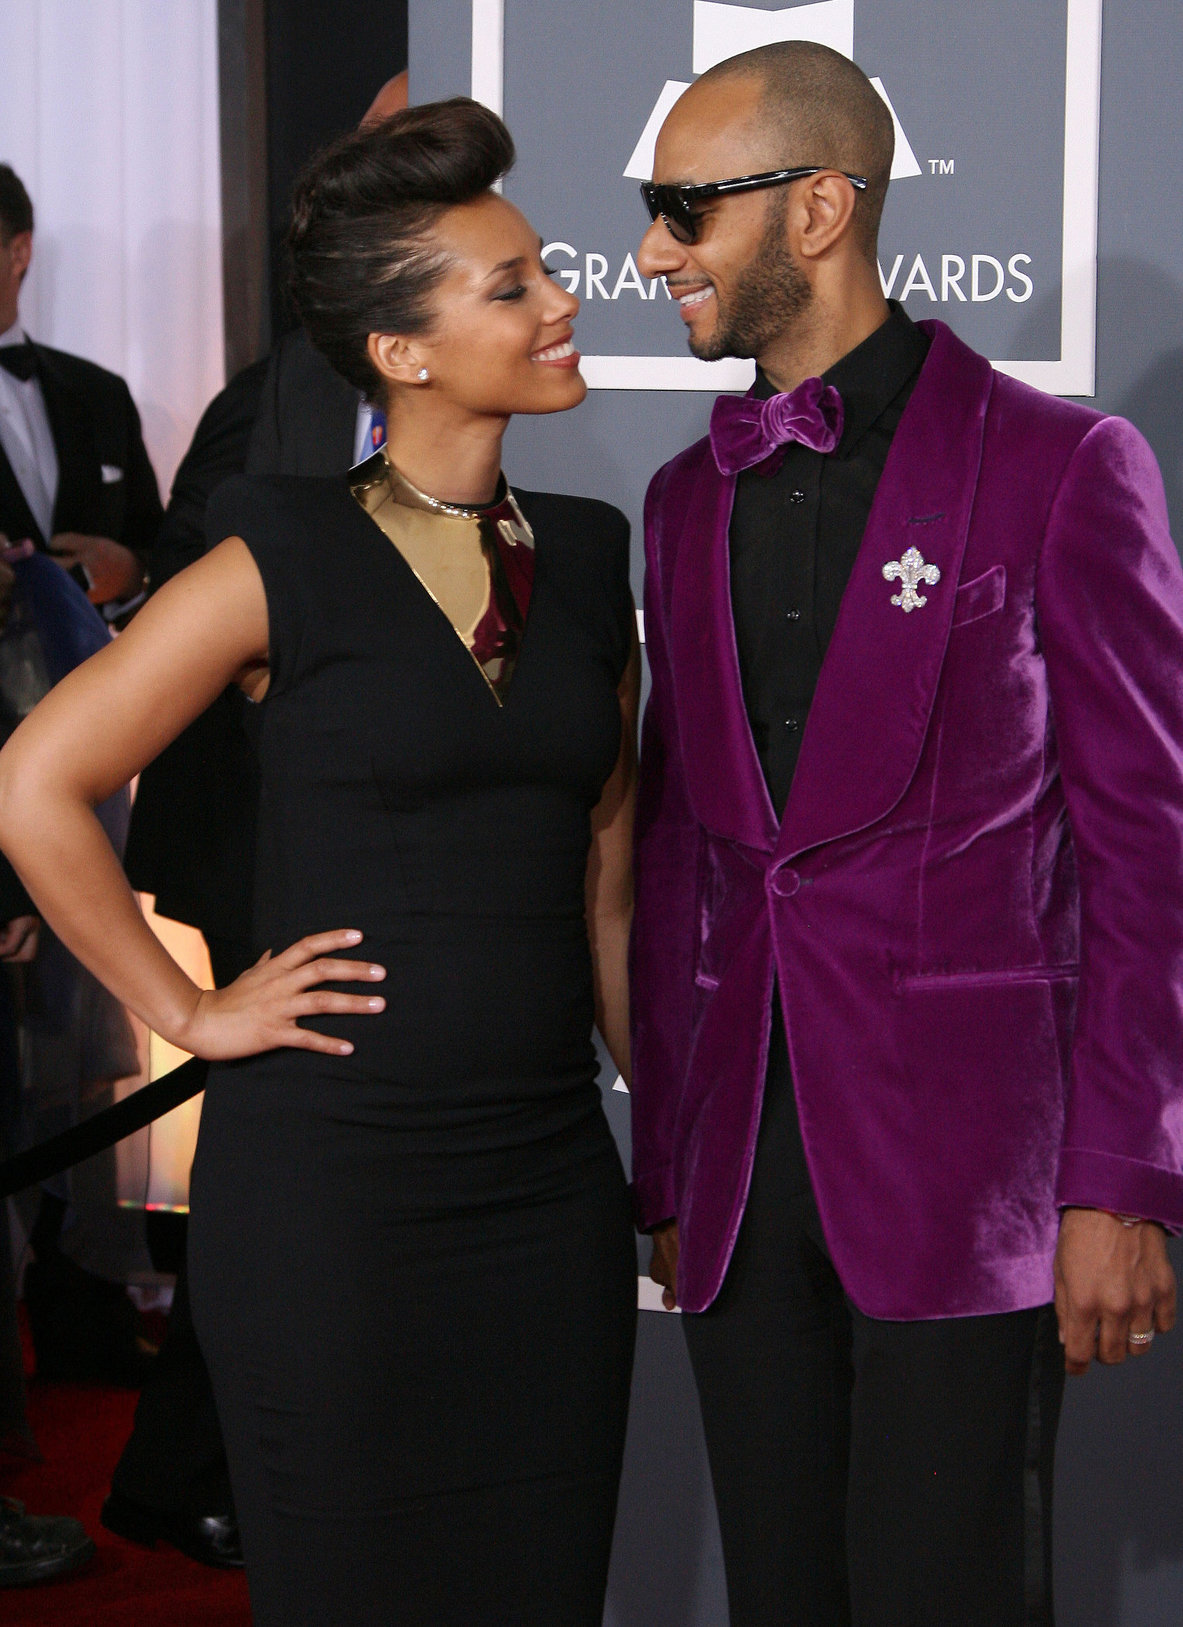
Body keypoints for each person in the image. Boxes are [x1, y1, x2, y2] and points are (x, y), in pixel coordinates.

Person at [0, 98, 638, 1625]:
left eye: (547, 269)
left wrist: (660, 1126)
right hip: (336, 1199)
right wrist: (191, 1009)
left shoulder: (599, 553)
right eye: (513, 287)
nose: (561, 302)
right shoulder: (273, 552)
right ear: (403, 353)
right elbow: (37, 780)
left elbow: (608, 856)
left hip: (549, 1188)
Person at [629, 41, 1182, 1627]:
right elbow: (682, 853)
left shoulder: (1065, 465)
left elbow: (1153, 852)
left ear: (817, 207)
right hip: (739, 1171)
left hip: (971, 1173)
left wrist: (1124, 1182)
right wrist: (668, 1150)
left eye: (683, 208)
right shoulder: (683, 498)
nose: (653, 252)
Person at [106, 68, 411, 1570]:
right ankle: (193, 1469)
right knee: (276, 1170)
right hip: (270, 853)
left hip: (372, 850)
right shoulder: (282, 390)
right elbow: (183, 599)